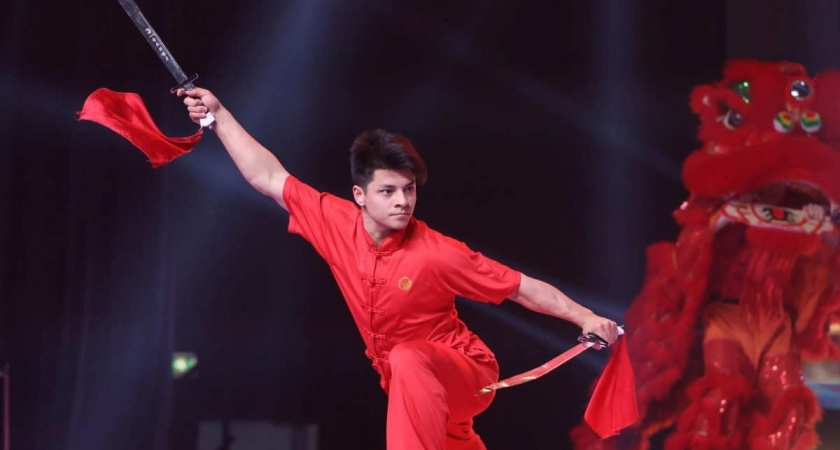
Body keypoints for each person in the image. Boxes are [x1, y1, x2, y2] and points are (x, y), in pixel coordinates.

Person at [177, 86, 620, 450]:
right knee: (415, 384)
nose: (403, 201)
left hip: (464, 376)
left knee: (408, 357)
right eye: (388, 191)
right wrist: (219, 116)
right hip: (415, 395)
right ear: (359, 195)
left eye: (409, 190)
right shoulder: (334, 222)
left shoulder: (437, 253)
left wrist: (584, 316)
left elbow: (520, 287)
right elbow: (269, 178)